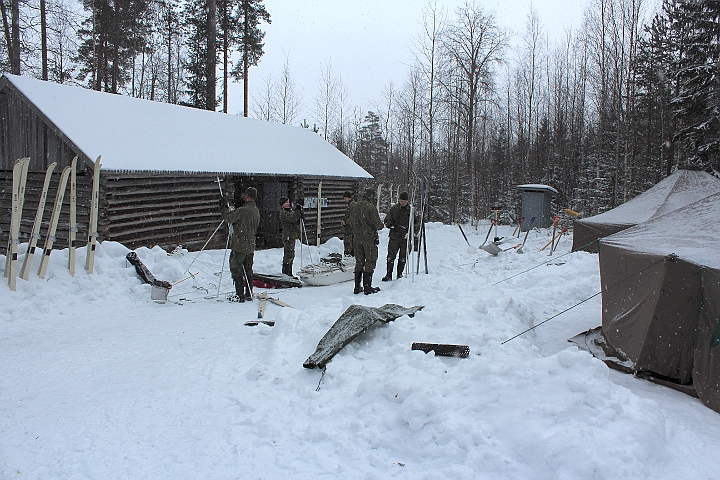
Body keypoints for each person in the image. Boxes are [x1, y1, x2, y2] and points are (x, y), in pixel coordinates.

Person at [220, 186, 260, 302]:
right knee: (248, 270)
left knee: (236, 269)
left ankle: (239, 295)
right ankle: (249, 293)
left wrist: (224, 208)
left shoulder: (243, 210)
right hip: (250, 245)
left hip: (240, 245)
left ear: (247, 196)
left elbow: (229, 218)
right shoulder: (256, 211)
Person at [349, 188, 384, 295]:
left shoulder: (354, 207)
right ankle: (367, 287)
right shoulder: (370, 207)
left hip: (356, 237)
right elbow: (378, 225)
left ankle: (357, 287)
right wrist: (380, 225)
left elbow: (350, 221)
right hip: (368, 238)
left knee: (359, 261)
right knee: (370, 260)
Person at [382, 191, 419, 281]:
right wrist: (392, 225)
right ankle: (388, 275)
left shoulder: (411, 210)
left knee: (403, 256)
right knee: (391, 256)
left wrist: (413, 234)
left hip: (405, 237)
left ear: (407, 201)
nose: (402, 203)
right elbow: (387, 220)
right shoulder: (394, 209)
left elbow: (416, 223)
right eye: (401, 201)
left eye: (404, 201)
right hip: (394, 236)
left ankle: (399, 274)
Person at [279, 196, 302, 276]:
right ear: (282, 204)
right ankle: (286, 272)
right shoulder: (283, 213)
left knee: (291, 254)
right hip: (288, 235)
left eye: (288, 202)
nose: (288, 204)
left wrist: (300, 215)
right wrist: (298, 211)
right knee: (288, 254)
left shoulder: (290, 211)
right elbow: (293, 218)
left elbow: (294, 220)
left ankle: (289, 271)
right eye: (286, 202)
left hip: (292, 235)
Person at [341, 190, 354, 256]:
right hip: (350, 230)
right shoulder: (351, 205)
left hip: (350, 230)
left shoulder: (352, 206)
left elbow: (353, 218)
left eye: (345, 198)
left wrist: (345, 222)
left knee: (349, 245)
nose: (344, 200)